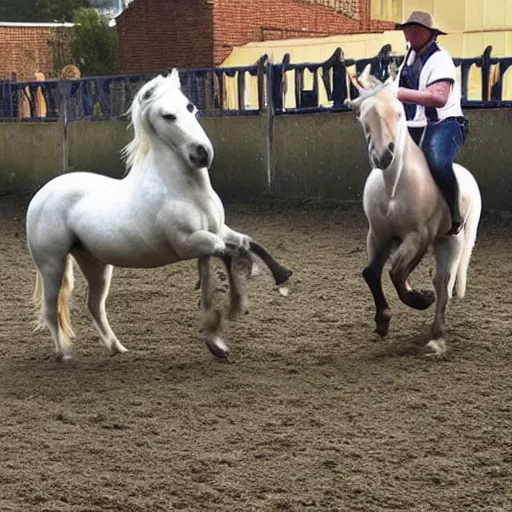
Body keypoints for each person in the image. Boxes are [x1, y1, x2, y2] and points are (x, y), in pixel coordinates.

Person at [395, 10, 468, 235]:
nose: (410, 33)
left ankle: (455, 211)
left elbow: (439, 98)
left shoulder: (441, 59)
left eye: (415, 29)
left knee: (436, 161)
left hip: (446, 123)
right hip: (413, 124)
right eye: (408, 30)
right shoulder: (409, 58)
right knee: (390, 161)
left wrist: (399, 92)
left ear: (429, 34)